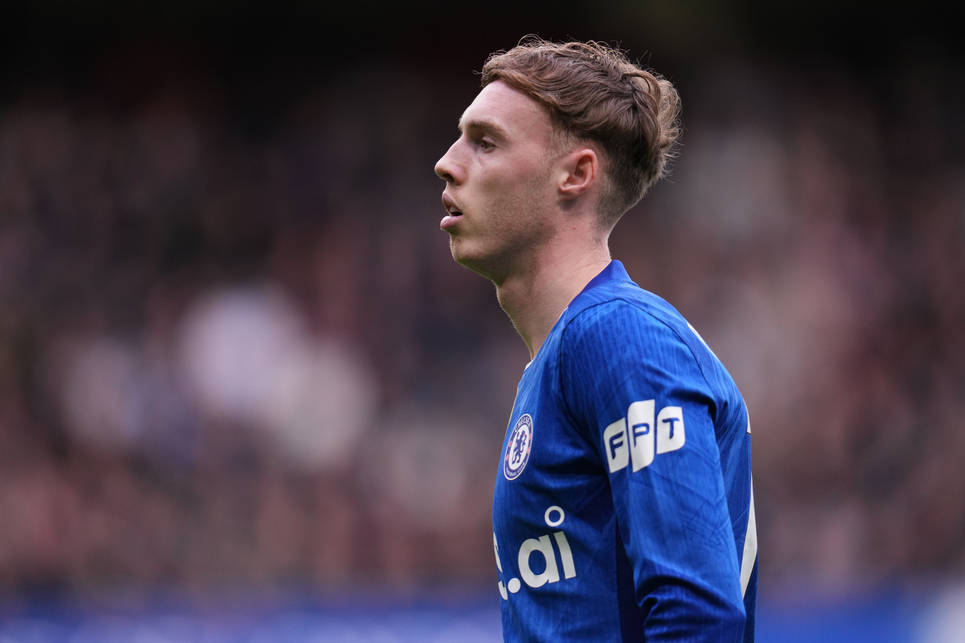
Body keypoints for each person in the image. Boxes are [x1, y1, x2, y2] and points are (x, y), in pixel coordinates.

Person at [434, 37, 757, 641]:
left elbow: (698, 617)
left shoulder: (619, 337)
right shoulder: (564, 356)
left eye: (486, 142)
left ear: (576, 174)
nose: (447, 163)